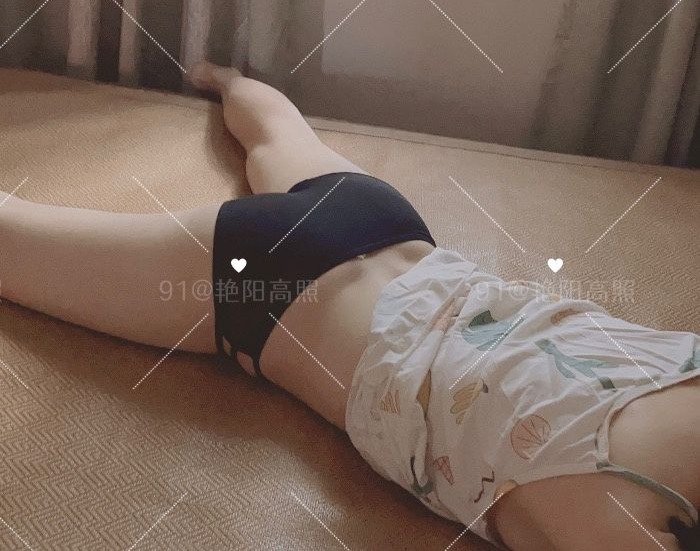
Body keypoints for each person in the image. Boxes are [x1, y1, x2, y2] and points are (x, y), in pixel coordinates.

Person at [1, 63, 698, 550]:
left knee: (280, 135)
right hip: (270, 289)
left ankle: (225, 78)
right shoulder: (618, 522)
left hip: (385, 225)